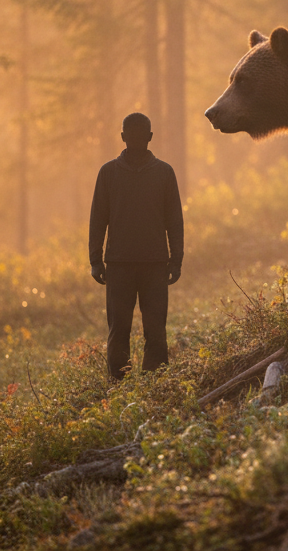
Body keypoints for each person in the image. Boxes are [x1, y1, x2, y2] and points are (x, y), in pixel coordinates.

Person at [88, 113, 184, 380]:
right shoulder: (108, 173)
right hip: (119, 265)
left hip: (154, 264)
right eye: (131, 136)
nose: (136, 140)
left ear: (150, 138)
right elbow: (98, 218)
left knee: (155, 329)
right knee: (119, 329)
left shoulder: (164, 173)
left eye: (140, 135)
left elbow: (174, 220)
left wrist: (176, 260)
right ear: (123, 137)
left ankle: (154, 384)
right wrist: (95, 260)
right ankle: (118, 385)